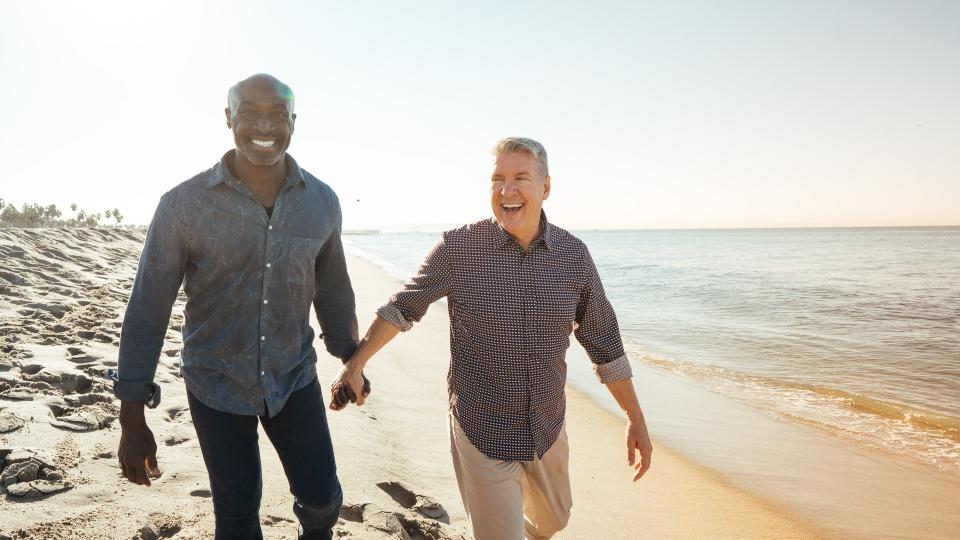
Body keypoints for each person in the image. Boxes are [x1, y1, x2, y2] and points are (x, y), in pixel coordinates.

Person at [330, 137, 652, 540]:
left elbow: (604, 341)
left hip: (547, 425)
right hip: (483, 426)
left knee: (555, 519)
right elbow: (403, 307)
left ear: (546, 187)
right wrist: (355, 366)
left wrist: (635, 418)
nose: (507, 190)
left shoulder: (573, 255)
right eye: (498, 179)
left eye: (520, 178)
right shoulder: (459, 248)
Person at [113, 73, 368, 540]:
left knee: (323, 500)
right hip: (215, 384)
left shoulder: (322, 202)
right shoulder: (183, 205)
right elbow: (149, 309)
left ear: (294, 121)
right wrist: (132, 415)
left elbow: (332, 288)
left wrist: (351, 360)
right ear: (229, 118)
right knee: (236, 516)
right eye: (250, 112)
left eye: (277, 114)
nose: (264, 125)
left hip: (293, 377)